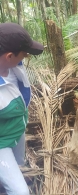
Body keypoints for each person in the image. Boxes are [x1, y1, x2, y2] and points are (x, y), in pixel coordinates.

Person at [0, 22, 44, 195]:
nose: (25, 58)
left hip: (16, 131)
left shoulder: (12, 67)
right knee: (20, 192)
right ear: (9, 56)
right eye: (24, 55)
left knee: (19, 166)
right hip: (1, 141)